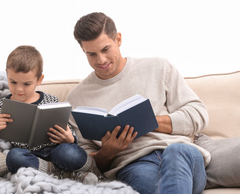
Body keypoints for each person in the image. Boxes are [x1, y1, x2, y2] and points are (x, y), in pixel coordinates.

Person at [65, 12, 210, 194]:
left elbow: (198, 115)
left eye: (105, 49)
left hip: (181, 154)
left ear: (118, 39)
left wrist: (149, 122)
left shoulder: (159, 67)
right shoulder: (76, 99)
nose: (100, 60)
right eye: (91, 54)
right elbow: (85, 162)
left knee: (176, 152)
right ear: (83, 51)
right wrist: (108, 152)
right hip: (135, 164)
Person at [0, 45, 100, 184]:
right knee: (13, 157)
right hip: (30, 157)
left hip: (57, 150)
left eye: (26, 84)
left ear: (39, 80)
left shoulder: (51, 101)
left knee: (69, 153)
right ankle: (63, 174)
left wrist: (69, 138)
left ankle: (96, 171)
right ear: (7, 74)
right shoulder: (1, 106)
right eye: (13, 82)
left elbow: (68, 130)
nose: (19, 89)